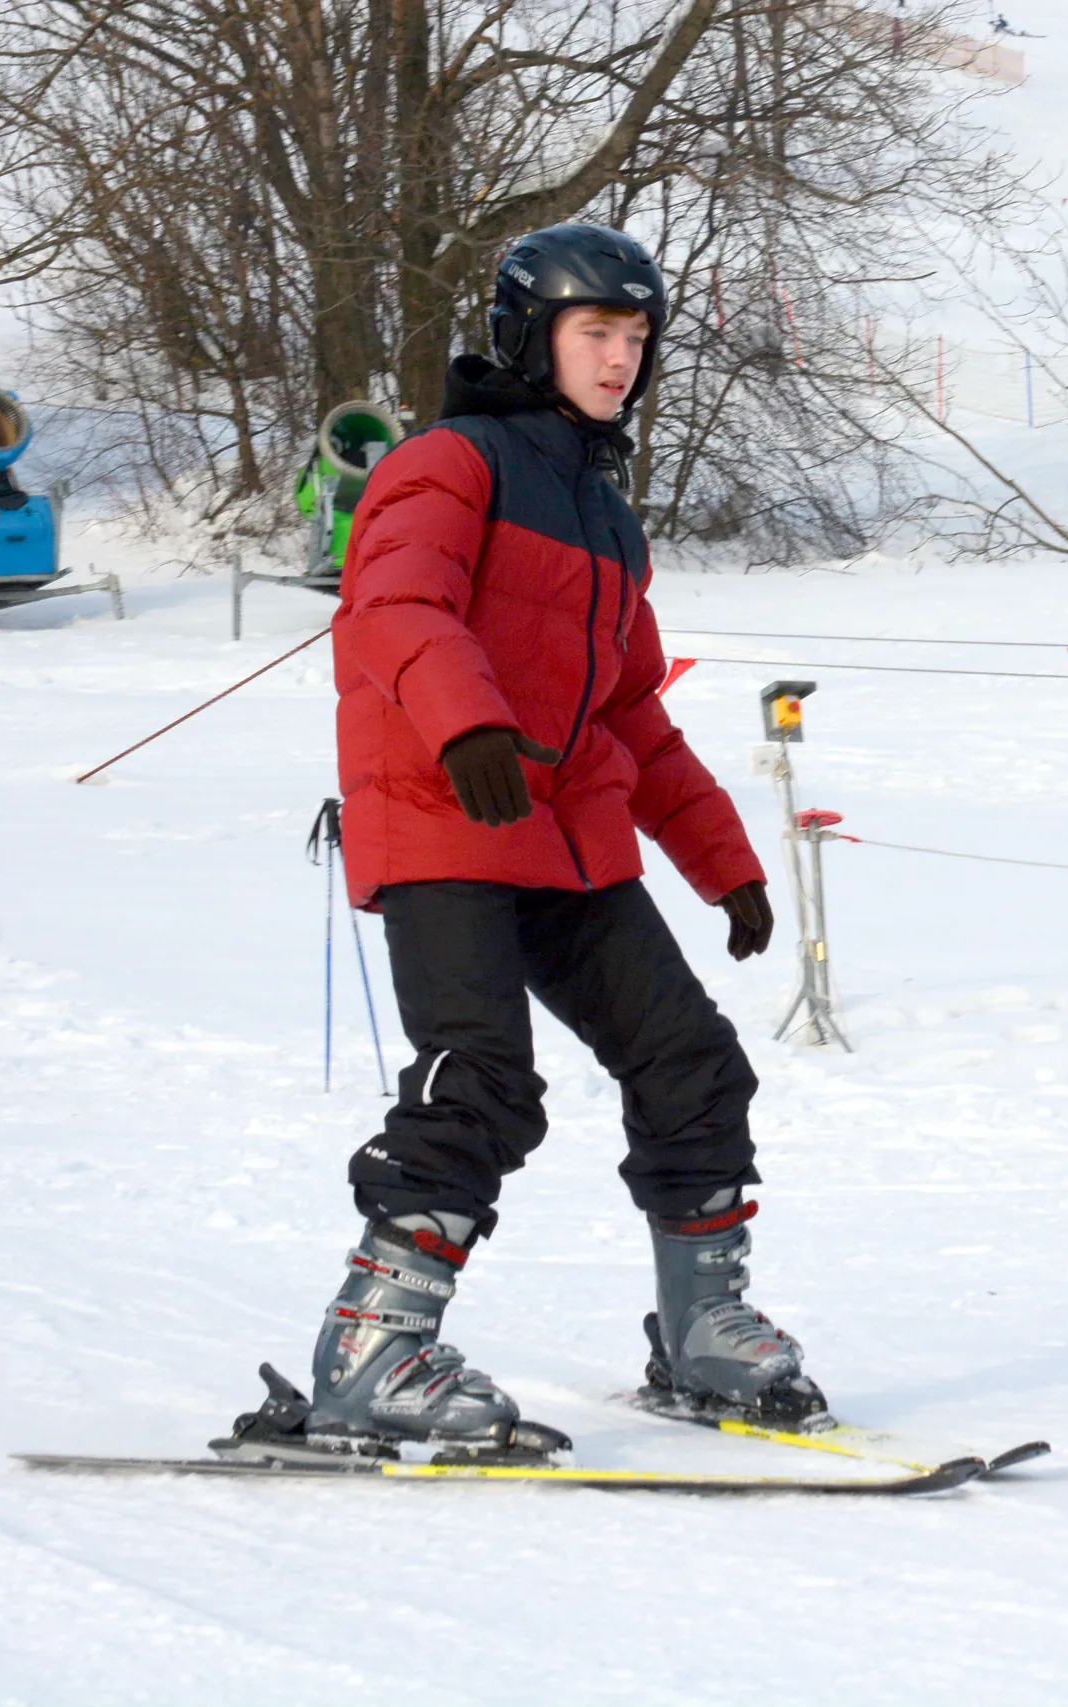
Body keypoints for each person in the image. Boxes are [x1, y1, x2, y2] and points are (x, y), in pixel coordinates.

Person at [288, 224, 820, 1458]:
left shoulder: (603, 513)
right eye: (596, 333)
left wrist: (723, 863)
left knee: (692, 1063)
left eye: (637, 338)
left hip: (566, 840)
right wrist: (467, 724)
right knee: (482, 1083)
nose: (621, 357)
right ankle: (371, 1348)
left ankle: (705, 1333)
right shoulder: (447, 463)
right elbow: (397, 605)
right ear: (532, 337)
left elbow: (630, 709)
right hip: (441, 814)